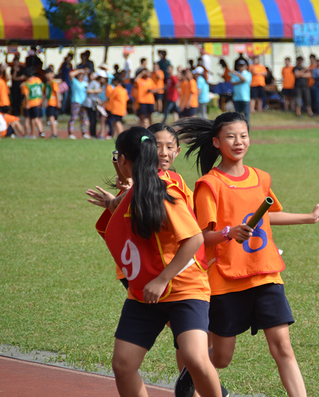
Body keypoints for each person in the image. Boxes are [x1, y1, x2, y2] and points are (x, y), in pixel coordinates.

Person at [175, 112, 319, 397]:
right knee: (221, 358)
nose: (239, 142)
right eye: (231, 137)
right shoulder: (210, 184)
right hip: (226, 277)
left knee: (282, 346)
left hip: (266, 273)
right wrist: (228, 233)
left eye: (243, 136)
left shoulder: (261, 178)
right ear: (217, 142)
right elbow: (199, 237)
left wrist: (308, 217)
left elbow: (269, 216)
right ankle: (194, 368)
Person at [88, 127, 222, 397]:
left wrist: (162, 280)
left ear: (124, 159)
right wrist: (114, 204)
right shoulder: (134, 192)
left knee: (195, 358)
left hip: (184, 288)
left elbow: (194, 239)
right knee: (123, 364)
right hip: (144, 294)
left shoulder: (165, 190)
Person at [20, 68, 44, 138]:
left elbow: (26, 95)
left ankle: (26, 134)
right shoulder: (38, 80)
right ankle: (37, 133)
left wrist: (27, 104)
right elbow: (42, 88)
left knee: (27, 119)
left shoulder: (26, 85)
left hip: (30, 102)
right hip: (38, 101)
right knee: (36, 118)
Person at [68, 68, 89, 139]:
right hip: (76, 101)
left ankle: (84, 132)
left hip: (83, 103)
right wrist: (79, 71)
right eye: (79, 75)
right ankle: (70, 133)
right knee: (73, 117)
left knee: (83, 118)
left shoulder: (85, 83)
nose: (81, 76)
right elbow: (70, 74)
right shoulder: (75, 82)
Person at [82, 71, 103, 139]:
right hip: (90, 103)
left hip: (94, 103)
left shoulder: (99, 84)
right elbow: (88, 90)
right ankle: (92, 134)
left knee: (94, 119)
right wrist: (96, 91)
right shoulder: (94, 83)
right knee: (92, 119)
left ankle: (94, 134)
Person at [44, 68, 60, 139]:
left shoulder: (53, 82)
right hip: (49, 102)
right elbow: (46, 93)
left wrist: (58, 102)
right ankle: (53, 133)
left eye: (48, 74)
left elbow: (57, 92)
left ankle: (54, 133)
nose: (47, 75)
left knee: (51, 118)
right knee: (50, 118)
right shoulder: (48, 83)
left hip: (53, 102)